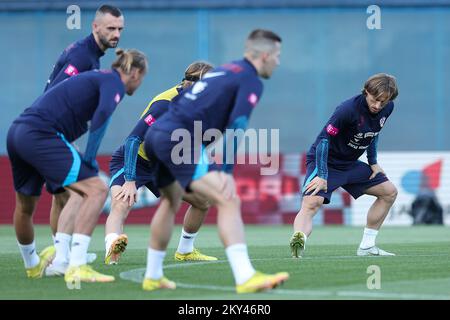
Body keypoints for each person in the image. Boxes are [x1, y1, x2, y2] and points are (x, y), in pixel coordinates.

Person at [141, 29, 289, 293]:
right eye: (277, 56)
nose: (278, 62)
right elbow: (238, 124)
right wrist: (226, 171)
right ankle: (245, 277)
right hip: (180, 140)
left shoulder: (224, 70)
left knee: (170, 201)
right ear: (265, 55)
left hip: (157, 135)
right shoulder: (250, 80)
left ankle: (153, 276)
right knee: (228, 199)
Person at [7, 48, 147, 283]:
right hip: (41, 134)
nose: (140, 83)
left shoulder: (100, 77)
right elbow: (102, 116)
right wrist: (90, 158)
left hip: (18, 132)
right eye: (143, 77)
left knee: (32, 204)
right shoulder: (113, 82)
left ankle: (40, 264)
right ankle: (77, 265)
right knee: (97, 189)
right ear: (134, 73)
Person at [22, 4, 124, 268]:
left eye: (120, 29)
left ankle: (60, 255)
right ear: (95, 27)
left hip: (43, 131)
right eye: (111, 28)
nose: (116, 34)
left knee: (63, 195)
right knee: (75, 192)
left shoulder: (89, 54)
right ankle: (62, 258)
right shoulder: (82, 57)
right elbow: (56, 95)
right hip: (47, 132)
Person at [105, 61, 218, 265]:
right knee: (121, 203)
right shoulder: (165, 104)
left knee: (202, 201)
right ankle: (112, 249)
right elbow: (132, 140)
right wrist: (130, 180)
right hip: (135, 159)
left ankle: (185, 251)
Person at [289, 73, 399, 258]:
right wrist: (322, 175)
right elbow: (324, 140)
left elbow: (374, 133)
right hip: (325, 162)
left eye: (383, 102)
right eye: (374, 100)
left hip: (349, 164)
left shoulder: (388, 108)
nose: (378, 106)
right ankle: (299, 240)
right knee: (312, 203)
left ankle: (367, 247)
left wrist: (373, 163)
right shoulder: (347, 109)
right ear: (366, 92)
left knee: (389, 192)